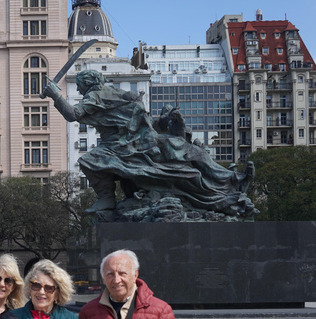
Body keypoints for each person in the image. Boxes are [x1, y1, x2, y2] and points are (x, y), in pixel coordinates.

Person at [42, 70, 254, 218]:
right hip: (141, 139)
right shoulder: (120, 94)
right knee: (192, 153)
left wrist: (55, 95)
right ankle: (233, 179)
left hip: (121, 144)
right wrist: (163, 122)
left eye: (79, 86)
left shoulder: (95, 95)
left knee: (88, 160)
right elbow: (143, 120)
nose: (79, 91)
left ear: (87, 84)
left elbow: (72, 114)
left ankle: (106, 199)